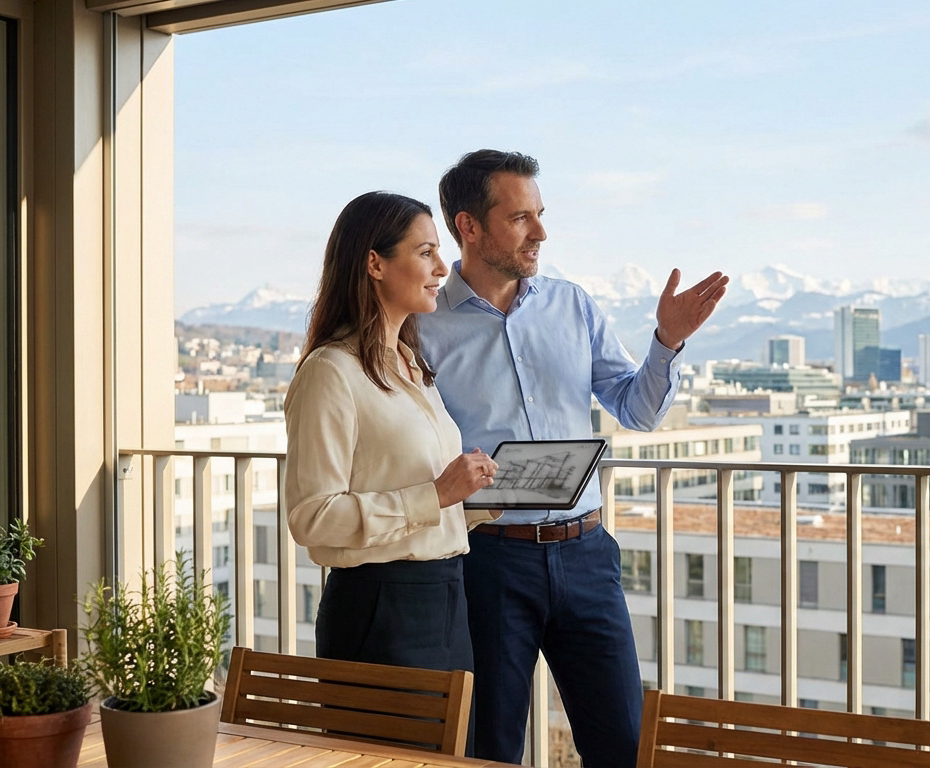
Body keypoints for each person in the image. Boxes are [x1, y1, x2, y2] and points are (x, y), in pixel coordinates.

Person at [420, 149, 729, 766]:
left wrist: (667, 341)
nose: (540, 232)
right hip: (488, 561)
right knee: (491, 748)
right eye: (519, 218)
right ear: (468, 227)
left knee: (621, 745)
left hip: (586, 555)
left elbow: (637, 410)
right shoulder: (424, 325)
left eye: (540, 214)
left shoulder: (574, 304)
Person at [283, 191, 500, 687]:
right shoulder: (330, 373)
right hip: (379, 609)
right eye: (425, 253)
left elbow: (414, 496)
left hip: (447, 597)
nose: (442, 268)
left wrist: (479, 501)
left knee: (448, 761)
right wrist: (437, 494)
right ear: (375, 264)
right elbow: (312, 517)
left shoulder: (411, 365)